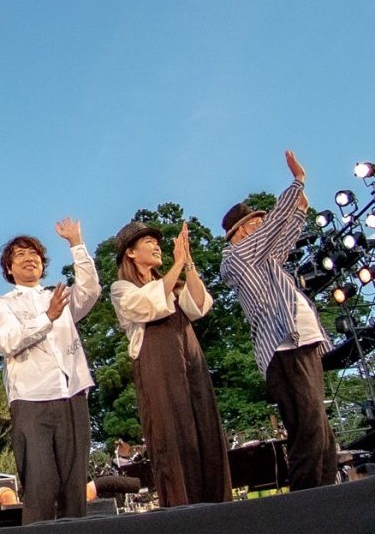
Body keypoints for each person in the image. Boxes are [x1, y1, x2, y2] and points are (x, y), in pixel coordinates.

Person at [219, 149, 336, 490]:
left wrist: (299, 212)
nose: (262, 227)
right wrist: (297, 183)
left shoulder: (266, 259)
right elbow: (273, 230)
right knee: (308, 424)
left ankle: (328, 493)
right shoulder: (238, 257)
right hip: (284, 345)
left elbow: (283, 237)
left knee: (319, 426)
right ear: (240, 232)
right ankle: (305, 497)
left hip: (302, 339)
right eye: (255, 225)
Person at [0, 218, 100, 524]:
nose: (29, 258)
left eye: (34, 254)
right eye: (20, 255)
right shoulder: (2, 304)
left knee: (74, 489)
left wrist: (77, 244)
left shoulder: (58, 295)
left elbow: (90, 290)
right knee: (40, 485)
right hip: (31, 400)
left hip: (73, 395)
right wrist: (47, 318)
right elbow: (7, 340)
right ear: (9, 268)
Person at [110, 220, 230, 506]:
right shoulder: (121, 288)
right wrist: (176, 265)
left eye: (158, 242)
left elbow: (198, 305)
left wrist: (187, 264)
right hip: (156, 361)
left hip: (189, 353)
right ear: (130, 253)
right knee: (172, 434)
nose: (156, 246)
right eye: (148, 242)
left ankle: (217, 502)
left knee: (204, 424)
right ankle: (181, 507)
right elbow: (144, 306)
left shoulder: (173, 284)